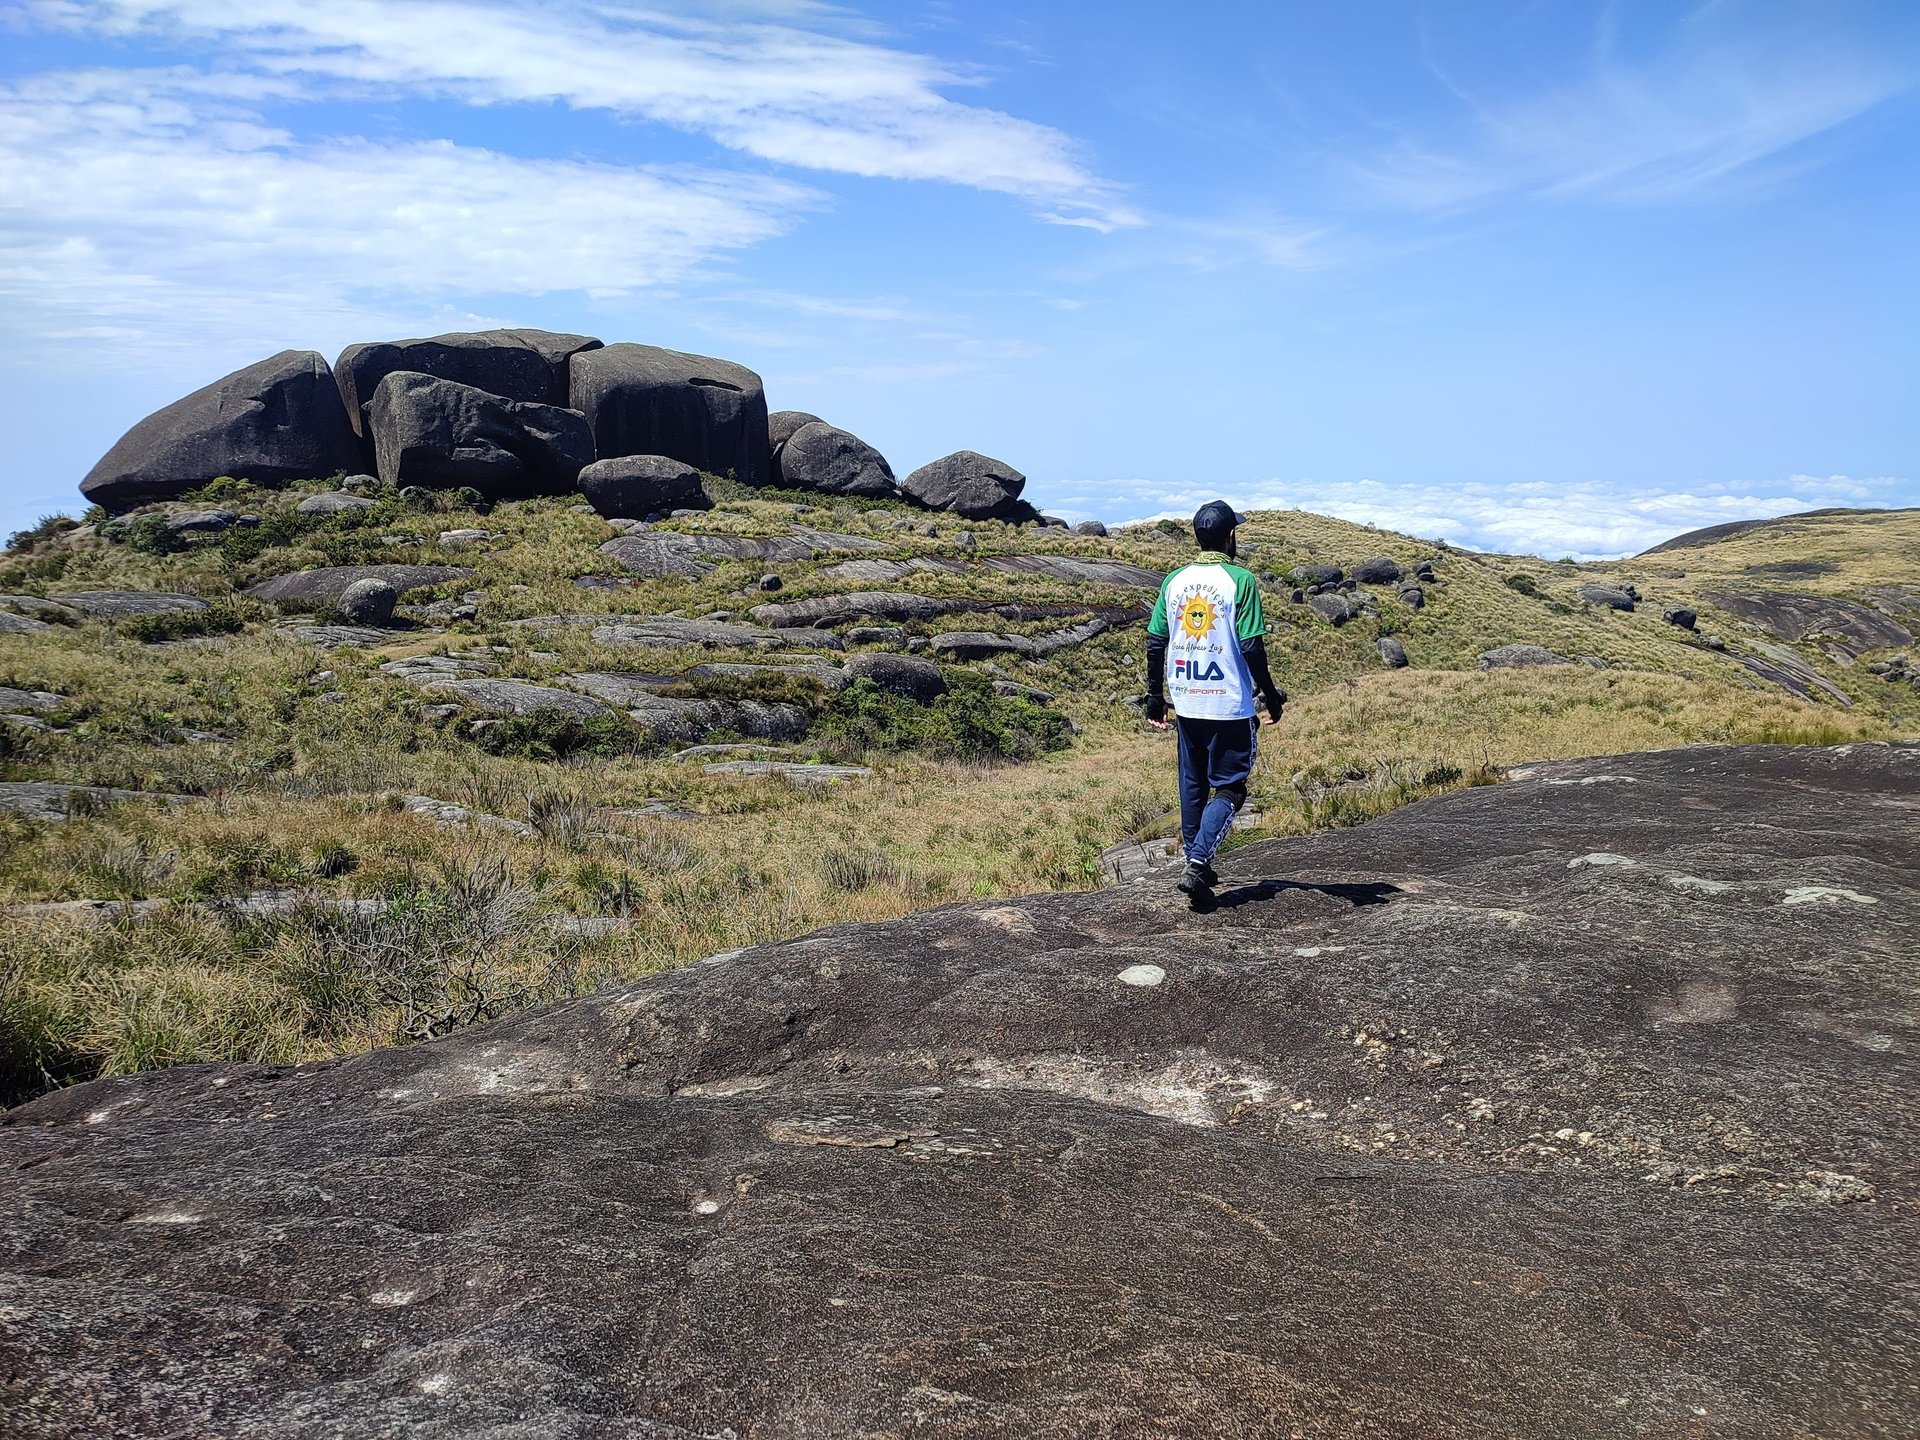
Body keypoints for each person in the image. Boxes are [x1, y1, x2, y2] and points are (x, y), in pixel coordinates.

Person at [1144, 501, 1286, 907]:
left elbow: (1156, 642)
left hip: (1187, 700)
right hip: (1228, 705)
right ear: (1230, 537)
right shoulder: (1239, 580)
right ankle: (1198, 861)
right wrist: (1271, 697)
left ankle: (1197, 864)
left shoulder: (1173, 581)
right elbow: (1251, 646)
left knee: (1192, 785)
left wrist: (1156, 698)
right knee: (1230, 787)